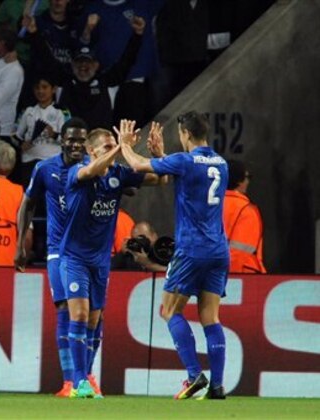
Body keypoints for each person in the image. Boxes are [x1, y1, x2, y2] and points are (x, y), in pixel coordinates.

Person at [120, 114, 229, 400]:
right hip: (218, 250)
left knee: (169, 311)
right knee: (210, 316)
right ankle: (217, 385)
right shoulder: (221, 163)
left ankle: (194, 376)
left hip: (192, 249)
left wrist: (124, 145)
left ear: (184, 134)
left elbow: (135, 165)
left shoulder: (184, 160)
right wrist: (162, 155)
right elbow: (191, 175)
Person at [58, 124, 165, 398]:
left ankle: (87, 377)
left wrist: (159, 155)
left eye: (112, 146)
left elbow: (160, 179)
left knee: (94, 320)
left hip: (101, 260)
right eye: (106, 147)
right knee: (79, 314)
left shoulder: (118, 174)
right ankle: (77, 382)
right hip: (74, 257)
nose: (112, 151)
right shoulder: (77, 172)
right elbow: (92, 170)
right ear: (91, 151)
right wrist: (123, 145)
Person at [14, 117, 89, 397]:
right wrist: (21, 243)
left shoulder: (93, 168)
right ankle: (70, 381)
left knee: (91, 315)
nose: (76, 144)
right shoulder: (45, 169)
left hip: (90, 252)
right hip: (59, 249)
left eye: (81, 139)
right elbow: (28, 204)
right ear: (62, 140)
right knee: (63, 309)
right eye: (71, 139)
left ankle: (85, 378)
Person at [56, 16, 144, 130]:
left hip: (100, 142)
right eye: (79, 62)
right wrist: (34, 34)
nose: (83, 66)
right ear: (72, 64)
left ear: (96, 65)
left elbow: (126, 61)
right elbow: (46, 58)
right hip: (70, 141)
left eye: (87, 62)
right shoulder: (64, 80)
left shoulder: (106, 80)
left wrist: (137, 35)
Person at [14, 74, 67, 188]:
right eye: (37, 88)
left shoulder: (62, 112)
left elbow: (68, 138)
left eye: (44, 87)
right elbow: (15, 135)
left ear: (53, 89)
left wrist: (54, 135)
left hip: (52, 161)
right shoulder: (28, 111)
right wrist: (21, 144)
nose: (40, 91)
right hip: (29, 161)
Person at [223, 159, 266, 273]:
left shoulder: (208, 206)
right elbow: (241, 253)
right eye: (248, 177)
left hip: (211, 277)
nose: (248, 181)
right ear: (239, 181)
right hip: (242, 277)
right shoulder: (247, 210)